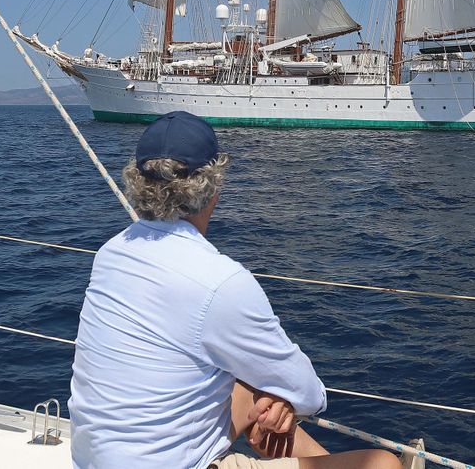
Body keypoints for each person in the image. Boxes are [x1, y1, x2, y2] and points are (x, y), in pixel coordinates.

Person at [69, 111, 399, 469]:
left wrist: (274, 397)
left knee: (252, 386)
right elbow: (309, 393)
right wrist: (284, 399)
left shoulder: (111, 253)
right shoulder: (220, 281)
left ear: (137, 181)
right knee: (384, 464)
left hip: (92, 461)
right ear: (214, 186)